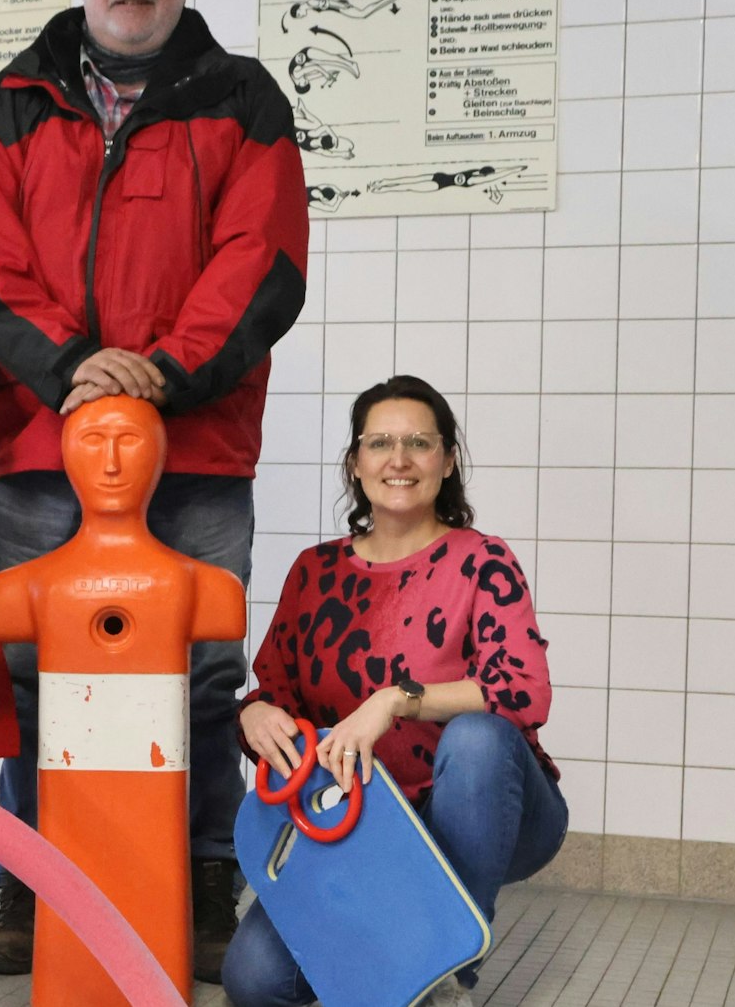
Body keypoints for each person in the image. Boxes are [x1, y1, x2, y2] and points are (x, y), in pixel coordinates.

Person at [0, 0, 308, 983]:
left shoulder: (243, 99)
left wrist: (162, 375)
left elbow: (264, 255)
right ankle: (30, 883)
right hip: (49, 445)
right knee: (39, 670)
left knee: (196, 672)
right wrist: (68, 372)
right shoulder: (5, 104)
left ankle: (197, 885)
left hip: (193, 445)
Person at [223, 376, 566, 1007]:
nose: (399, 459)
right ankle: (395, 954)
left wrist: (394, 700)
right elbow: (272, 693)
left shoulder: (481, 560)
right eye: (380, 442)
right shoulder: (314, 570)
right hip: (366, 824)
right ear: (356, 463)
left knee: (479, 740)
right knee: (256, 982)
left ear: (447, 460)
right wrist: (256, 715)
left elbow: (523, 692)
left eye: (418, 442)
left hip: (486, 809)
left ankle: (441, 975)